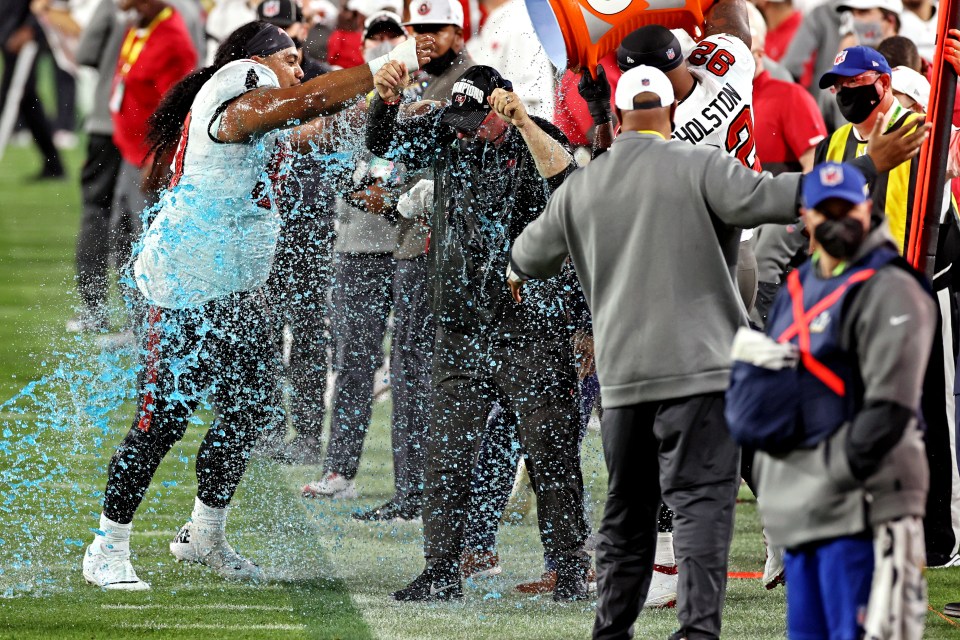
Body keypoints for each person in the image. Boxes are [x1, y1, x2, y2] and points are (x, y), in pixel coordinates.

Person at [81, 22, 434, 590]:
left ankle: (205, 533)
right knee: (161, 422)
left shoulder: (266, 121)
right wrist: (379, 66)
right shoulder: (234, 97)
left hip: (236, 292)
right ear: (252, 65)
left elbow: (329, 131)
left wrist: (389, 105)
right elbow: (303, 100)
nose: (300, 68)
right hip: (183, 292)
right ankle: (107, 546)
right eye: (290, 58)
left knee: (248, 415)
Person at [507, 64, 808, 640]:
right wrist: (868, 166)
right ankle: (698, 631)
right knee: (700, 508)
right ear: (671, 112)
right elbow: (778, 197)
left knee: (626, 512)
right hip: (702, 373)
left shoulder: (585, 184)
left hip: (625, 380)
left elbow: (529, 253)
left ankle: (611, 631)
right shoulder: (702, 165)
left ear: (615, 118)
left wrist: (516, 269)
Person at [366, 63, 590, 602]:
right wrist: (384, 100)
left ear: (502, 108)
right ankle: (441, 570)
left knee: (551, 453)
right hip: (460, 328)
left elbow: (572, 190)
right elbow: (382, 140)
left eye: (476, 123)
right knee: (444, 454)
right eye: (459, 123)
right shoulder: (448, 130)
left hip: (531, 327)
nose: (465, 133)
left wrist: (527, 126)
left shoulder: (538, 136)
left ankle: (569, 570)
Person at [730, 162, 934, 640]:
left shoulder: (895, 287)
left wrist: (814, 473)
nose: (837, 219)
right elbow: (752, 391)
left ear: (867, 209)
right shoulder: (797, 287)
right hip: (804, 512)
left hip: (870, 508)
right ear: (806, 218)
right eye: (825, 210)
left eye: (848, 208)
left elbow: (889, 411)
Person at [814, 44, 960, 569]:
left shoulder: (926, 131)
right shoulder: (831, 145)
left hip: (915, 292)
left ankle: (940, 536)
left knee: (929, 419)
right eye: (836, 86)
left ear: (882, 83)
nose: (843, 94)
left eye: (853, 84)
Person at [348, 5, 476, 520]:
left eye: (433, 29)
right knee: (412, 367)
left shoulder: (472, 83)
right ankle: (416, 491)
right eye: (416, 30)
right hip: (416, 241)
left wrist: (396, 199)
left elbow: (467, 170)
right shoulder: (424, 81)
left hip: (440, 247)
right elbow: (391, 146)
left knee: (425, 369)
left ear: (457, 32)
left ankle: (428, 494)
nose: (422, 39)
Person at [1, 0, 65, 179]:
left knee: (11, 98)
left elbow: (41, 4)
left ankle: (54, 164)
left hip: (24, 38)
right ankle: (54, 164)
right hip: (8, 35)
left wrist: (30, 27)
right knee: (27, 102)